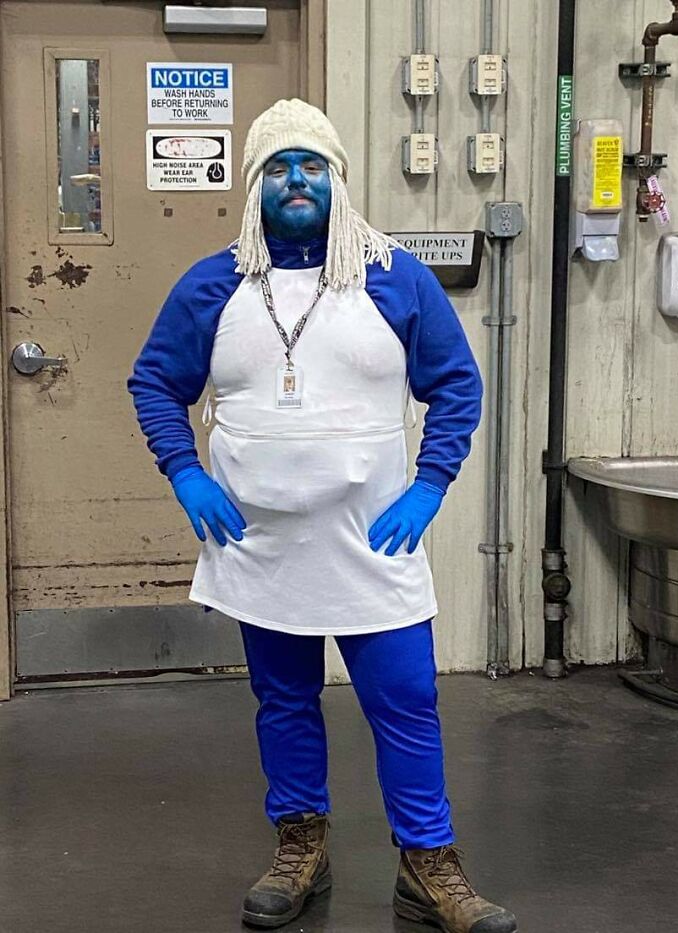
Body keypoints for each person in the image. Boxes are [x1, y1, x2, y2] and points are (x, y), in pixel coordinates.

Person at [128, 98, 517, 933]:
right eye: (278, 166)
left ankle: (428, 864)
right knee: (284, 699)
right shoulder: (213, 285)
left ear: (338, 179)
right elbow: (155, 381)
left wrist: (429, 485)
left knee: (405, 698)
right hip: (260, 541)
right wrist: (186, 473)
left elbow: (457, 384)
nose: (296, 179)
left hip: (373, 540)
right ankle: (299, 844)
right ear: (254, 186)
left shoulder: (394, 277)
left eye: (312, 164)